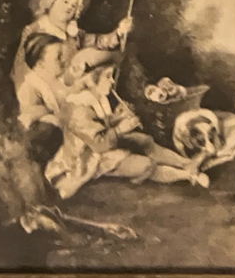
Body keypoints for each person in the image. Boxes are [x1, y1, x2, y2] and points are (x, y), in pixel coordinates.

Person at [44, 49, 207, 199]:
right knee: (146, 165)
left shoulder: (97, 98)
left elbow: (102, 124)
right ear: (92, 79)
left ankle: (186, 164)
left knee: (145, 141)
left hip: (104, 146)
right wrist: (120, 129)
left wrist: (118, 117)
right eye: (107, 76)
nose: (111, 81)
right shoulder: (78, 107)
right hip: (88, 159)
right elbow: (99, 144)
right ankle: (188, 176)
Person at [11, 0, 131, 89]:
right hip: (40, 89)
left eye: (74, 6)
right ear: (52, 1)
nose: (69, 7)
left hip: (69, 88)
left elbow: (98, 41)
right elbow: (21, 69)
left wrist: (119, 31)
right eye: (66, 2)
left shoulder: (74, 34)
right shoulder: (35, 30)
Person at [14, 33, 68, 166]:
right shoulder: (30, 88)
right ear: (40, 65)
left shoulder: (56, 78)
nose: (63, 60)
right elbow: (27, 118)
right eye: (58, 57)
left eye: (62, 54)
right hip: (48, 139)